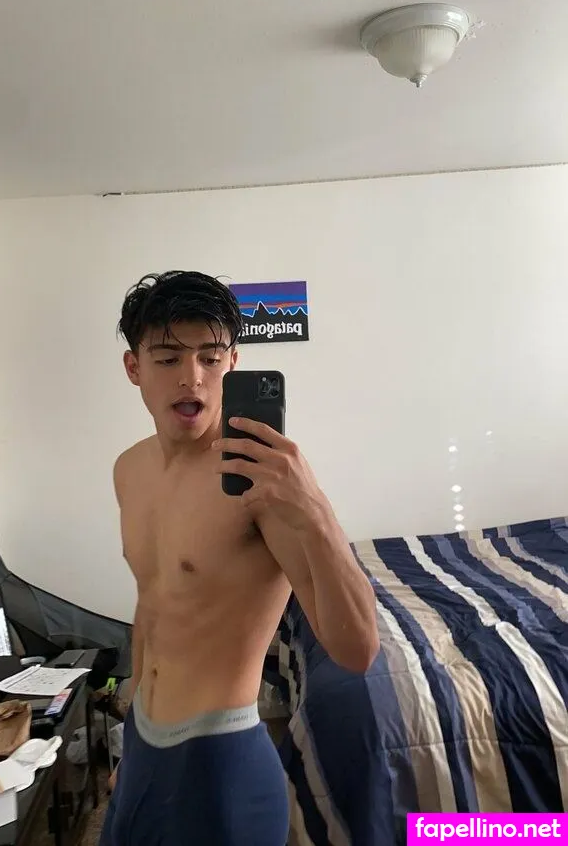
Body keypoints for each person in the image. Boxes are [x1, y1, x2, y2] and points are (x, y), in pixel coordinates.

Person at [100, 271, 379, 846]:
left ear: (233, 363)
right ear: (134, 368)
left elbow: (357, 651)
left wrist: (315, 509)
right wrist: (131, 738)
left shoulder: (257, 483)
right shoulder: (129, 468)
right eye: (168, 358)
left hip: (221, 763)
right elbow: (152, 604)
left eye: (210, 357)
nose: (192, 377)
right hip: (143, 741)